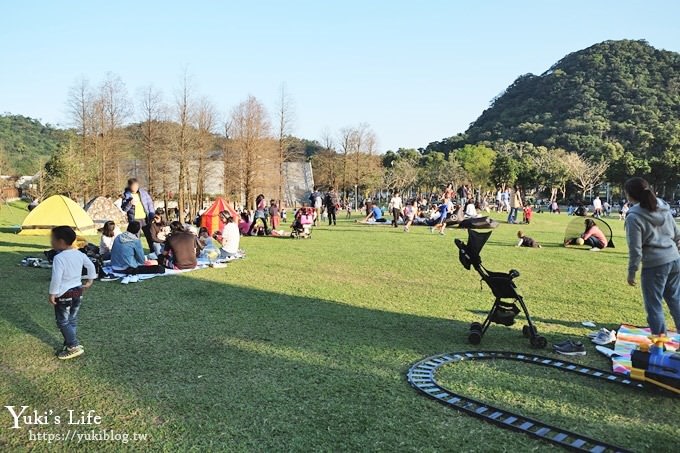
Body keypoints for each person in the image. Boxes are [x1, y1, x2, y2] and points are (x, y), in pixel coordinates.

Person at [624, 177, 680, 336]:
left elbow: (635, 249)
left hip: (655, 264)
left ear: (630, 195)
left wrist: (631, 272)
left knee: (654, 305)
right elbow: (677, 234)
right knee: (676, 301)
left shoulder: (634, 216)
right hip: (675, 259)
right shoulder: (663, 206)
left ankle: (659, 344)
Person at [48, 226, 96, 360]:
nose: (51, 242)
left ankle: (73, 345)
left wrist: (52, 293)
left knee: (62, 321)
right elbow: (91, 266)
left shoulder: (59, 258)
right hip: (78, 291)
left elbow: (57, 277)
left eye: (52, 240)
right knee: (72, 319)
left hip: (64, 293)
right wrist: (90, 280)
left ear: (61, 241)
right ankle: (69, 341)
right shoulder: (79, 254)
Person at [120, 178, 155, 247]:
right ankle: (136, 255)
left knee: (150, 237)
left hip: (145, 219)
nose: (135, 188)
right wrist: (130, 203)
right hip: (134, 220)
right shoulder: (126, 195)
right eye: (133, 186)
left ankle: (153, 253)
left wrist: (152, 215)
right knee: (135, 239)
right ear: (129, 186)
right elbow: (124, 209)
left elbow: (150, 204)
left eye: (136, 186)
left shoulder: (144, 193)